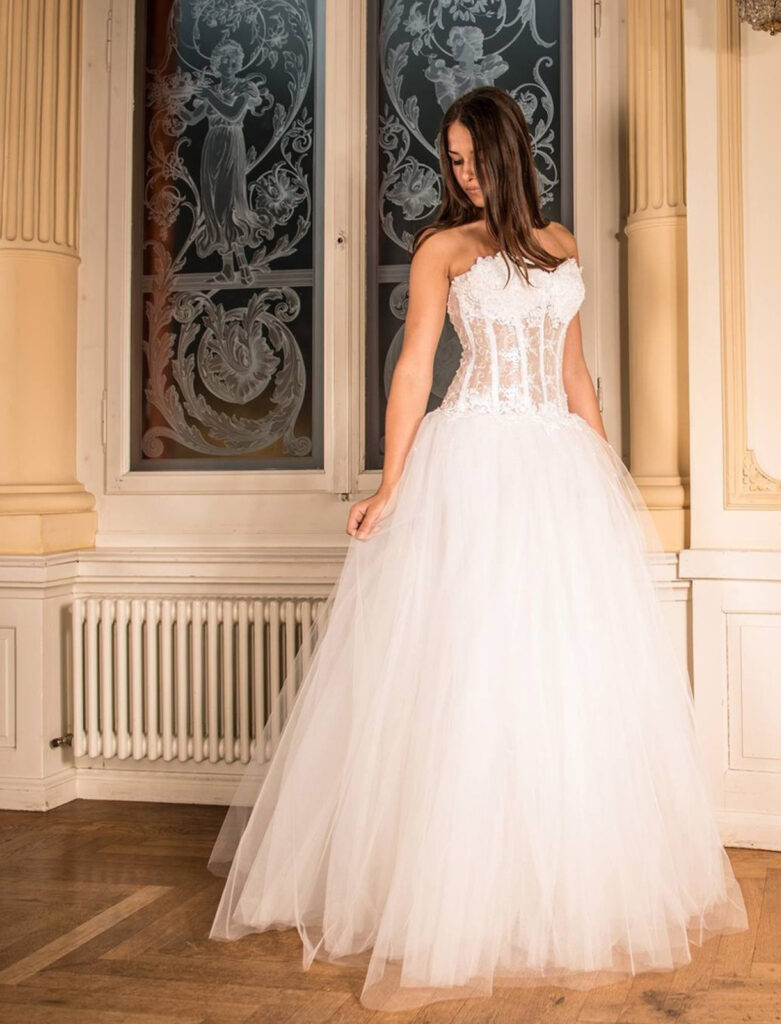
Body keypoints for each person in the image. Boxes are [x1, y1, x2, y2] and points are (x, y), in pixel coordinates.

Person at [206, 84, 749, 1012]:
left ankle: (557, 884)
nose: (456, 174)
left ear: (505, 154)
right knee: (469, 673)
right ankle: (449, 894)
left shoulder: (564, 245)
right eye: (448, 160)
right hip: (475, 462)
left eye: (467, 158)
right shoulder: (443, 252)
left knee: (563, 681)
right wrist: (390, 483)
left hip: (558, 467)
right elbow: (416, 368)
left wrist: (607, 480)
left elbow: (576, 373)